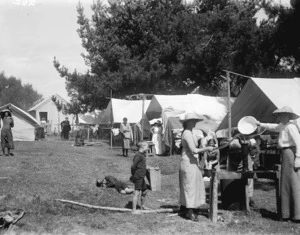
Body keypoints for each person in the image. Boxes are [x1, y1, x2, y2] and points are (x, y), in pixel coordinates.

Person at [256, 106, 300, 222]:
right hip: (285, 154)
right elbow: (274, 127)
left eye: (282, 115)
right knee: (285, 183)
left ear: (288, 116)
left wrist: (298, 159)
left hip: (291, 154)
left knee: (293, 183)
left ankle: (296, 214)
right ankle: (286, 213)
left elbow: (299, 143)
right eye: (279, 115)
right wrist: (260, 124)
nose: (280, 117)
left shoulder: (291, 127)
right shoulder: (283, 125)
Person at [179, 113, 214, 221]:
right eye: (193, 120)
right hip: (188, 163)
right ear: (188, 122)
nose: (195, 122)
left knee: (192, 185)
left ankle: (187, 209)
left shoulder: (190, 132)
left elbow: (196, 146)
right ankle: (190, 212)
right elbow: (194, 150)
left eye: (195, 120)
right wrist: (207, 148)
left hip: (192, 162)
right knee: (190, 186)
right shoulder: (187, 133)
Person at [130, 141, 150, 213]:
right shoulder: (138, 155)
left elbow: (140, 165)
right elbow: (133, 166)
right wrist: (133, 175)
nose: (148, 148)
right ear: (142, 147)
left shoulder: (142, 154)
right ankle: (134, 210)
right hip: (138, 176)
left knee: (144, 191)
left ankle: (142, 206)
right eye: (147, 146)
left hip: (142, 176)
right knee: (137, 193)